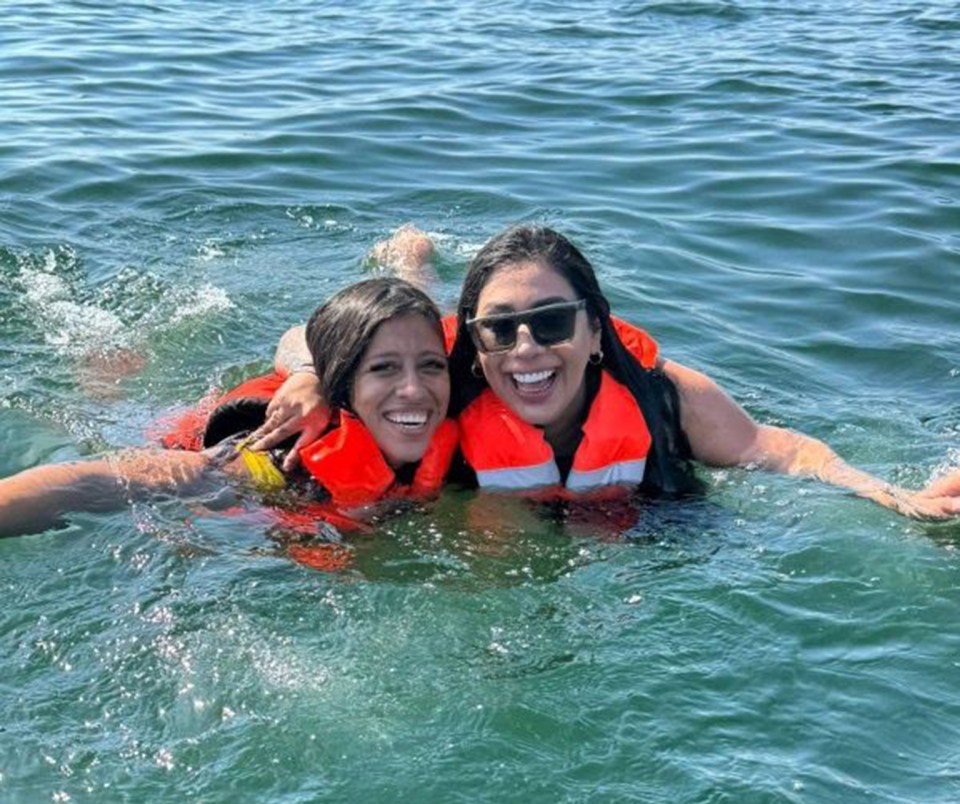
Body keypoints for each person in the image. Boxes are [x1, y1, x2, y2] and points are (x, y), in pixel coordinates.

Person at [254, 225, 960, 520]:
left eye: (553, 322)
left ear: (594, 329)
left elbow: (777, 449)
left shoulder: (662, 396)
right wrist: (314, 374)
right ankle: (412, 257)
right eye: (501, 328)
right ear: (476, 342)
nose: (526, 348)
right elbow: (304, 334)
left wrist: (895, 497)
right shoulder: (447, 374)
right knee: (405, 300)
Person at [0, 278, 457, 539]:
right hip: (174, 430)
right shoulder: (280, 456)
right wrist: (306, 373)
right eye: (383, 369)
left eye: (432, 366)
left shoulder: (463, 405)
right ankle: (101, 367)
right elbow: (97, 483)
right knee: (103, 410)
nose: (414, 389)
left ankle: (411, 263)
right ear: (341, 384)